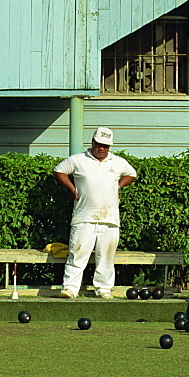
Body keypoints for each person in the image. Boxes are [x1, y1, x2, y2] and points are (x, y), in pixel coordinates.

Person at [52, 127, 137, 299]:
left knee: (106, 256)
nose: (102, 148)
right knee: (77, 254)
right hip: (83, 217)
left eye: (106, 146)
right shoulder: (78, 160)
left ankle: (103, 289)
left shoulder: (118, 162)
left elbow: (132, 174)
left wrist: (118, 186)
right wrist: (72, 189)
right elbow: (59, 170)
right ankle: (70, 288)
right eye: (99, 144)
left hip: (110, 219)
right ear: (92, 142)